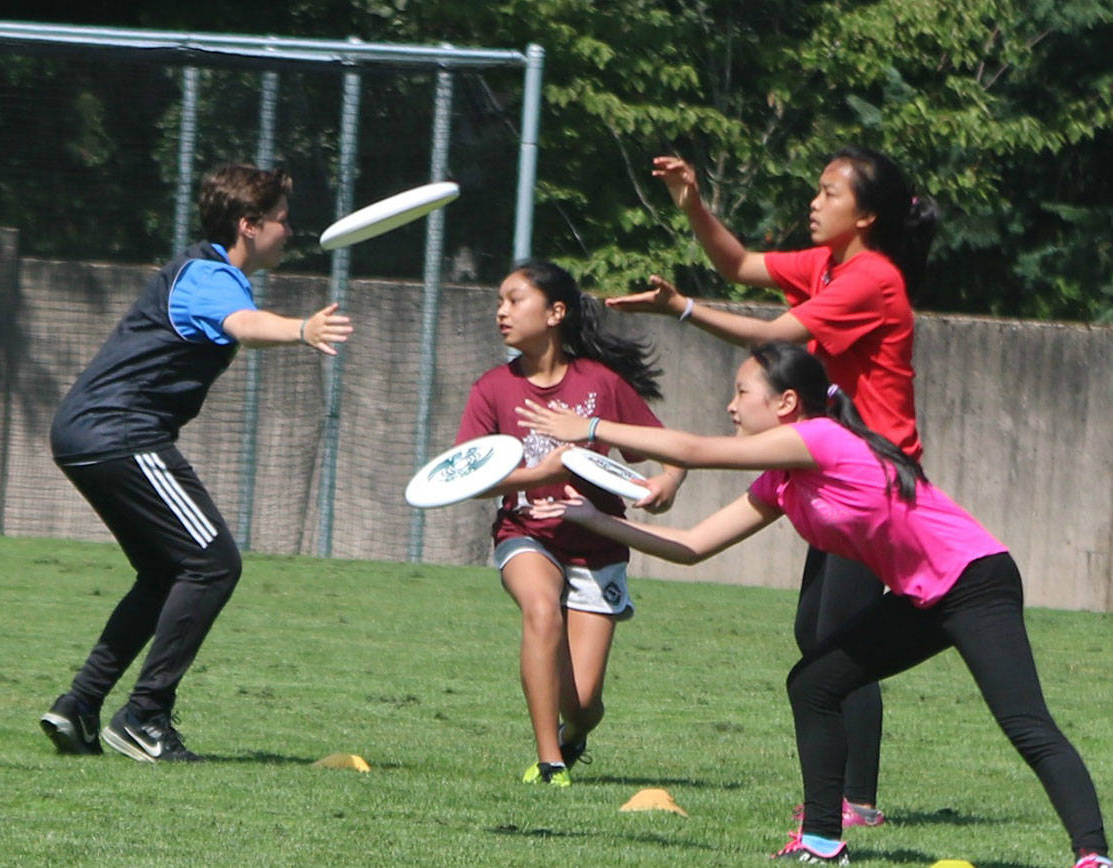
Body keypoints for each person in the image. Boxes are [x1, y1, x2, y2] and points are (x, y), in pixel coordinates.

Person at [516, 341, 1109, 867]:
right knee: (815, 683)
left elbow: (693, 449)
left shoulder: (823, 438)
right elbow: (692, 547)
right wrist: (595, 519)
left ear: (786, 405)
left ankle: (1092, 856)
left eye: (742, 392)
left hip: (975, 579)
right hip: (920, 596)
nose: (731, 405)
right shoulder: (780, 480)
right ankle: (823, 841)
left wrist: (591, 429)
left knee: (1024, 723)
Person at [605, 146, 940, 825]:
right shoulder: (825, 264)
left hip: (873, 480)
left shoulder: (873, 277)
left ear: (867, 215)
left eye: (828, 193)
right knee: (814, 628)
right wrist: (692, 203)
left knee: (841, 635)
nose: (813, 203)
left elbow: (770, 336)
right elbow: (739, 265)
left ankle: (857, 801)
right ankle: (849, 794)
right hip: (831, 467)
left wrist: (681, 309)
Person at [39, 163, 352, 762]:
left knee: (166, 572)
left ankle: (81, 705)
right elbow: (245, 326)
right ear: (248, 224)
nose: (289, 231)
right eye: (282, 221)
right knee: (213, 563)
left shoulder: (202, 271)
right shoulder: (210, 275)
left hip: (88, 433)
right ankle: (145, 715)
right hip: (118, 433)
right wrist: (303, 329)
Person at [453, 259, 686, 786]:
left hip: (597, 544)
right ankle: (548, 759)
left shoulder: (601, 383)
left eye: (515, 300)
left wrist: (666, 485)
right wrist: (542, 472)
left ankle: (571, 736)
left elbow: (671, 454)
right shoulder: (491, 388)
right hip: (526, 534)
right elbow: (469, 479)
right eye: (499, 301)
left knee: (583, 704)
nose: (501, 312)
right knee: (540, 610)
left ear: (556, 312)